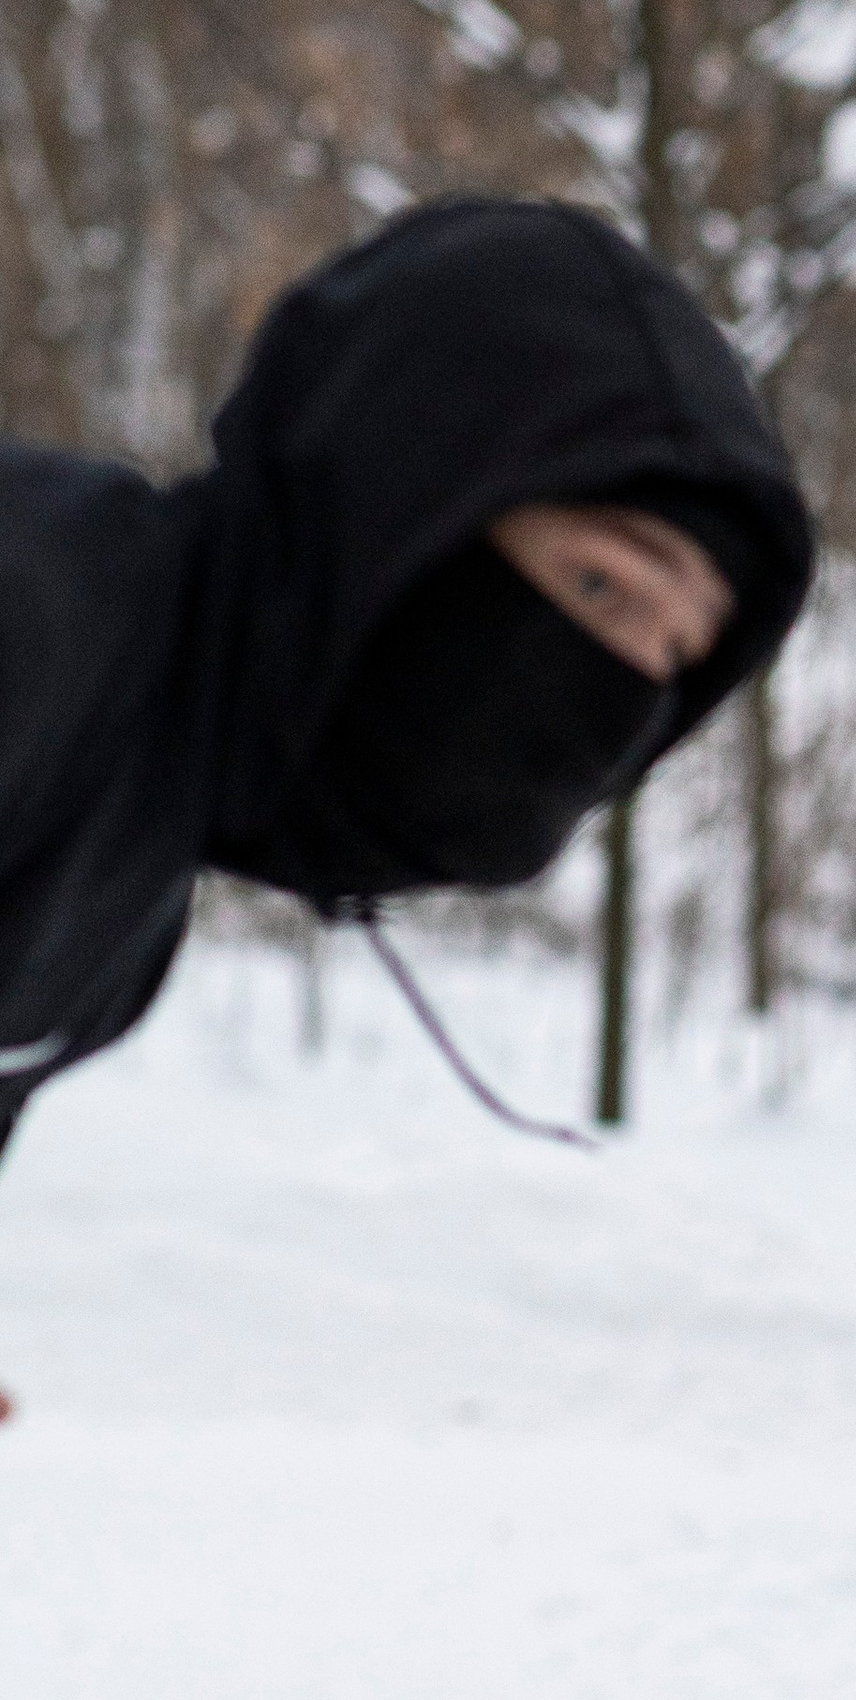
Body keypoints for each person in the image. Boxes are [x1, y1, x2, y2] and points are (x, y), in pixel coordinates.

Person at [0, 195, 812, 1165]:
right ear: (397, 494)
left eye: (674, 656)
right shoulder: (38, 636)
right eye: (599, 583)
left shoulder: (136, 867)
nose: (622, 689)